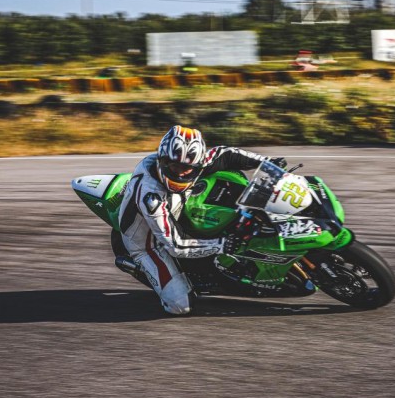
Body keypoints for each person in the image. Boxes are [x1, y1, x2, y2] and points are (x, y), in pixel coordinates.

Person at [116, 125, 285, 315]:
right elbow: (175, 245)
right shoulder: (151, 196)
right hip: (149, 243)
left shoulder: (196, 161)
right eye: (174, 166)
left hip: (178, 208)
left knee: (233, 182)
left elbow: (226, 154)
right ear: (162, 160)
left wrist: (267, 163)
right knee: (180, 306)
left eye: (187, 168)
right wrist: (222, 244)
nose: (180, 173)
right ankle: (141, 266)